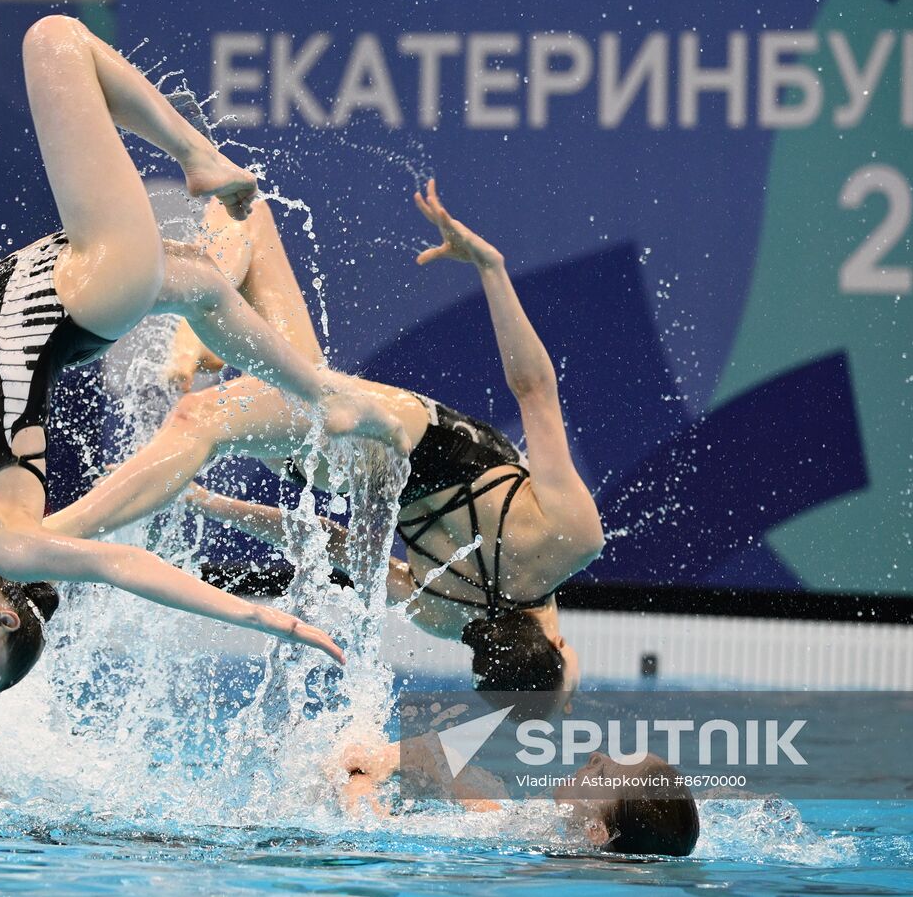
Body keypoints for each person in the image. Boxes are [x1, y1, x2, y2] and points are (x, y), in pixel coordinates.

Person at [0, 16, 408, 695]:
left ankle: (324, 394)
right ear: (4, 619)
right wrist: (273, 621)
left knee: (206, 286)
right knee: (53, 41)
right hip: (88, 291)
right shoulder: (3, 541)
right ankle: (197, 157)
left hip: (53, 270)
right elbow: (123, 565)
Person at [44, 180, 607, 717]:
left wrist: (492, 267)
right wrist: (213, 507)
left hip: (350, 430)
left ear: (557, 645)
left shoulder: (572, 539)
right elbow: (336, 545)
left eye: (571, 689)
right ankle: (203, 331)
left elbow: (533, 388)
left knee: (199, 418)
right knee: (247, 216)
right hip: (317, 457)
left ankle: (47, 541)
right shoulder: (442, 616)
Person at [338, 736, 701, 857]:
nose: (597, 757)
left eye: (605, 772)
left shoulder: (524, 863)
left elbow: (366, 841)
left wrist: (359, 778)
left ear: (596, 831)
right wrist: (388, 760)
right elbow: (447, 774)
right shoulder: (537, 835)